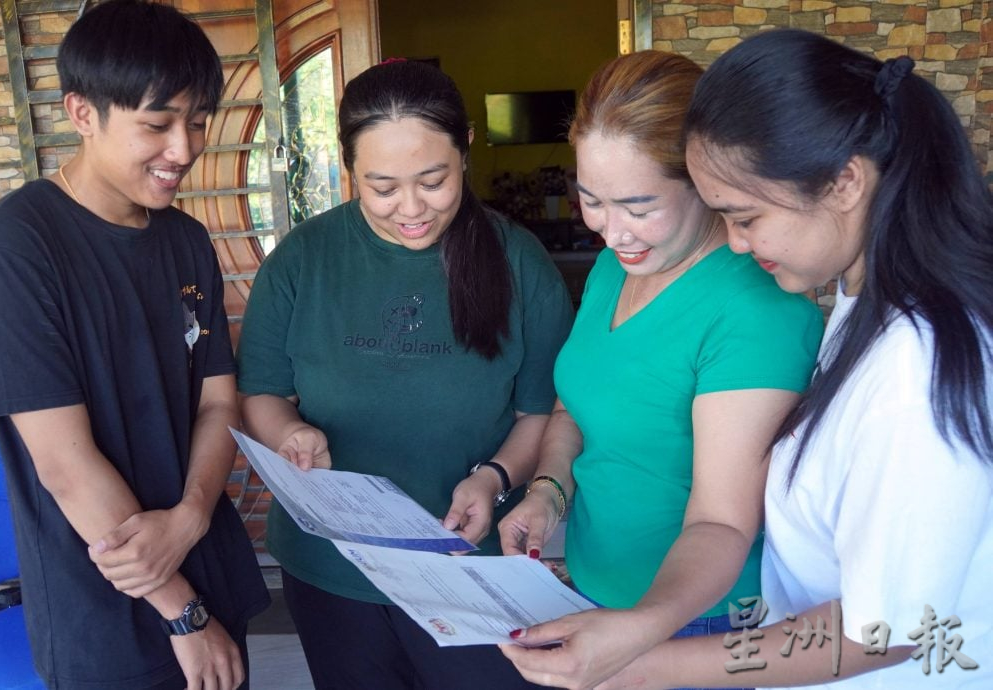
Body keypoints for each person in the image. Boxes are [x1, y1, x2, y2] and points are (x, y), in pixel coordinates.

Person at [522, 29, 993, 690]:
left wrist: (643, 663)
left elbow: (885, 631)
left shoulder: (915, 368)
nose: (737, 246)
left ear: (844, 183)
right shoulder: (866, 307)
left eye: (744, 217)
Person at [235, 59, 574, 690]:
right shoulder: (303, 261)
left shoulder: (517, 260)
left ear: (466, 148)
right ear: (348, 170)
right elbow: (263, 390)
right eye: (383, 187)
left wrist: (497, 476)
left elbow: (542, 412)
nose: (411, 209)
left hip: (468, 565)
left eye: (433, 180)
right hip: (332, 565)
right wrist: (289, 433)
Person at [0, 1, 270, 688]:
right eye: (157, 125)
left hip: (207, 562)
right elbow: (65, 464)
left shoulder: (186, 241)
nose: (184, 150)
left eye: (196, 122)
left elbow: (219, 403)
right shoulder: (15, 250)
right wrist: (180, 612)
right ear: (81, 112)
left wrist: (189, 520)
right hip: (106, 610)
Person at [496, 50, 824, 690]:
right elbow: (575, 407)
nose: (611, 230)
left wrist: (640, 629)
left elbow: (723, 523)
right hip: (596, 590)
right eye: (591, 200)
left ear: (704, 183)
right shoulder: (616, 266)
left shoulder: (757, 307)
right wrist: (547, 491)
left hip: (697, 621)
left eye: (638, 206)